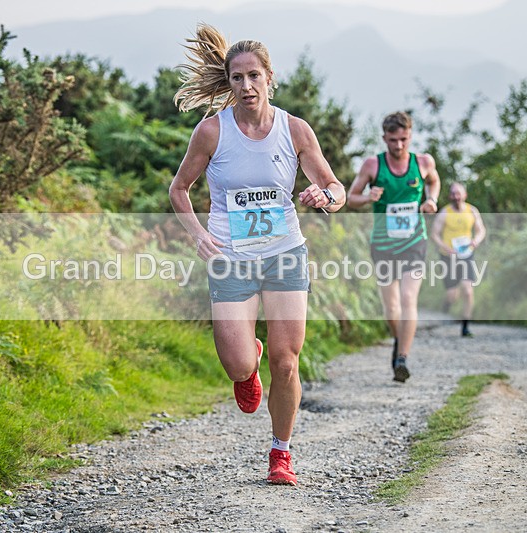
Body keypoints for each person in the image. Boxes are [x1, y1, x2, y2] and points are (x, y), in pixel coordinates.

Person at [168, 24, 345, 486]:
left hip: (285, 253)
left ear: (270, 77)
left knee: (287, 362)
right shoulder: (211, 132)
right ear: (228, 83)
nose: (246, 86)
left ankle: (281, 453)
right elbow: (179, 189)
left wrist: (324, 197)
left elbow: (335, 187)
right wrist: (198, 235)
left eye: (254, 76)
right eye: (237, 78)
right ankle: (249, 365)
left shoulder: (294, 130)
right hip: (231, 257)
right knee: (239, 364)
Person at [347, 111, 440, 383]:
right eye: (393, 140)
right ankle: (400, 342)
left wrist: (431, 199)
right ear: (384, 138)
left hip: (413, 240)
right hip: (384, 244)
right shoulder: (372, 166)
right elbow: (350, 198)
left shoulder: (422, 162)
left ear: (410, 136)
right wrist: (367, 197)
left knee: (409, 299)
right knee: (391, 309)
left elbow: (434, 180)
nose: (399, 146)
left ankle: (402, 359)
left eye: (403, 139)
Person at [430, 182, 486, 337]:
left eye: (459, 193)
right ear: (450, 196)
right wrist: (445, 247)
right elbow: (434, 234)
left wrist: (476, 241)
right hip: (448, 256)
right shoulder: (444, 213)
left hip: (466, 255)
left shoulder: (472, 211)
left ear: (465, 195)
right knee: (452, 295)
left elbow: (481, 230)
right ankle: (446, 305)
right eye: (453, 193)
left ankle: (465, 326)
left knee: (468, 290)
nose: (456, 196)